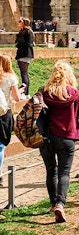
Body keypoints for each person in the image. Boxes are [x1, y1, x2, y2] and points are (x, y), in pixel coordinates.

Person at [40, 61, 79, 223]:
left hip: (47, 138)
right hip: (68, 136)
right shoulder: (74, 93)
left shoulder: (45, 93)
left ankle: (54, 203)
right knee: (64, 172)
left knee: (50, 171)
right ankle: (61, 203)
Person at [0, 55, 23, 185]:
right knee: (1, 145)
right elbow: (17, 98)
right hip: (4, 113)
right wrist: (20, 91)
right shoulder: (10, 78)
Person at [15, 17, 34, 97]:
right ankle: (26, 93)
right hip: (21, 53)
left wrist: (19, 43)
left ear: (24, 23)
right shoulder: (21, 32)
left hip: (25, 54)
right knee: (23, 74)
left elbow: (29, 43)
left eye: (20, 21)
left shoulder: (29, 32)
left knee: (24, 74)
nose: (18, 22)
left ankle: (25, 92)